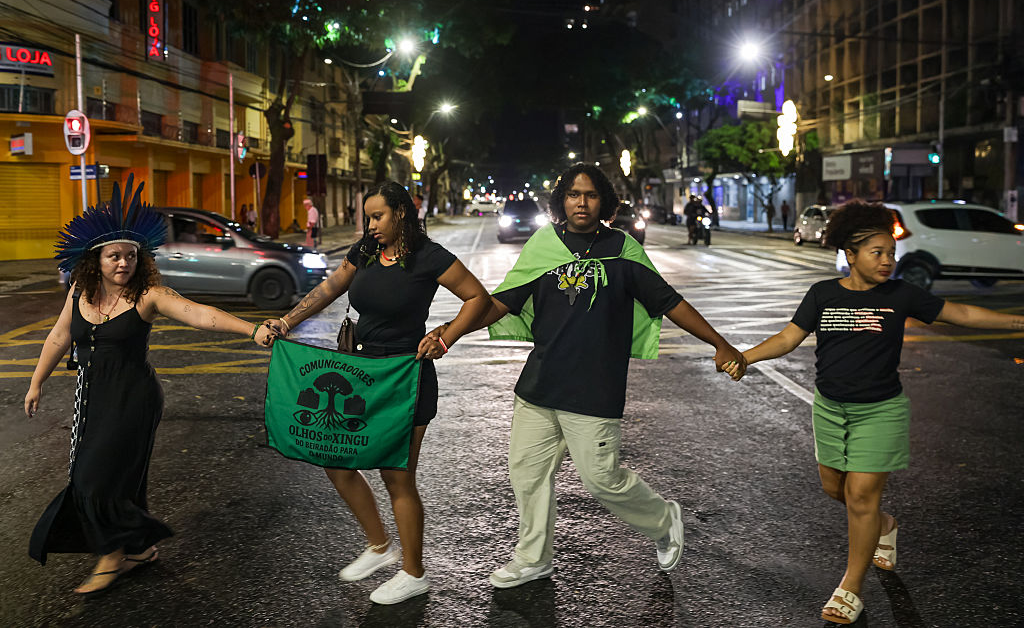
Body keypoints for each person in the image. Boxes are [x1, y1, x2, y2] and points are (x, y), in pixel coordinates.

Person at [429, 163, 746, 588]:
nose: (582, 202)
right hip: (540, 383)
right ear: (561, 201)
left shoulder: (622, 250)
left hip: (594, 386)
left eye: (591, 195)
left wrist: (719, 342)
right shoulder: (543, 245)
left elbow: (669, 302)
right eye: (574, 194)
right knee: (527, 474)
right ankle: (533, 557)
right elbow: (501, 302)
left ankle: (662, 518)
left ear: (605, 202)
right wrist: (449, 334)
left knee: (602, 480)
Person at [729, 200, 1024, 624]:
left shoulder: (901, 294)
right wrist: (745, 356)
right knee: (837, 490)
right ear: (851, 255)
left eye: (891, 253)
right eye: (878, 253)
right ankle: (884, 526)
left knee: (861, 496)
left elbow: (959, 313)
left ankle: (851, 586)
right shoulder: (823, 293)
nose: (888, 261)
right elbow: (789, 337)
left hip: (880, 410)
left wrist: (1017, 324)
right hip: (830, 410)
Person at [25, 176, 275, 596]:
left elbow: (200, 314)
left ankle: (112, 557)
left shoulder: (149, 295)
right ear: (95, 259)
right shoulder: (79, 292)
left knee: (95, 478)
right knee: (124, 476)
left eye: (130, 256)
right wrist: (36, 383)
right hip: (93, 398)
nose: (123, 263)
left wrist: (251, 331)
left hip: (134, 399)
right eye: (113, 256)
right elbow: (57, 337)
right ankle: (140, 548)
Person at [265, 181, 489, 605]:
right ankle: (379, 545)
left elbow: (477, 297)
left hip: (406, 377)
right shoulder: (365, 251)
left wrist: (446, 337)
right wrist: (287, 321)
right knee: (335, 459)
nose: (370, 224)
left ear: (401, 212)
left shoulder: (428, 257)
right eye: (367, 217)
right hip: (360, 374)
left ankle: (414, 572)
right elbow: (329, 289)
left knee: (396, 476)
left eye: (377, 216)